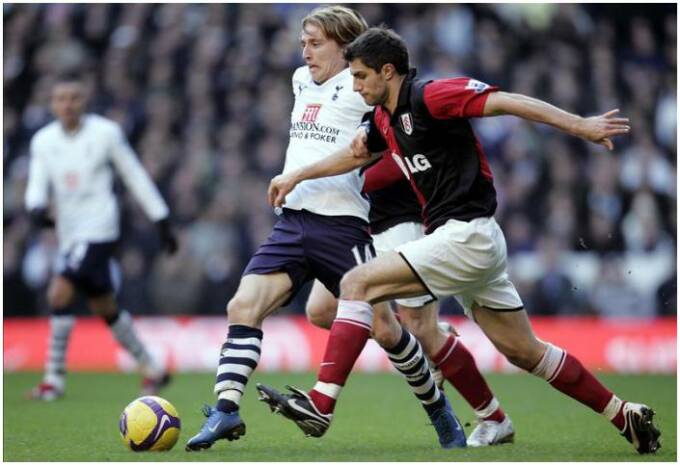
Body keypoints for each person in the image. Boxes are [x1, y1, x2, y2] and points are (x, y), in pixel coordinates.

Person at [260, 27, 661, 455]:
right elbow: (356, 155)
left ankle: (321, 403)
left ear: (388, 71)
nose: (354, 85)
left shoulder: (430, 95)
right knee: (526, 353)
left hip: (467, 234)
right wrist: (296, 175)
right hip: (469, 241)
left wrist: (579, 125)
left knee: (357, 284)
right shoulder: (382, 117)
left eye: (360, 76)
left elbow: (506, 100)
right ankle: (622, 414)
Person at [185, 7, 465, 452]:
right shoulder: (299, 80)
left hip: (343, 227)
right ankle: (225, 410)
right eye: (304, 43)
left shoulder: (364, 90)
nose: (306, 51)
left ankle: (439, 411)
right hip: (293, 222)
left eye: (315, 43)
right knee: (242, 305)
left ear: (343, 46)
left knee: (387, 331)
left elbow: (391, 131)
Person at [304, 158, 514, 446]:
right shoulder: (355, 117)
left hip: (403, 219)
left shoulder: (397, 115)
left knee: (421, 330)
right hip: (361, 223)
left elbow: (398, 161)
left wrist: (331, 178)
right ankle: (422, 333)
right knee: (321, 309)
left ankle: (493, 417)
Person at [24, 74, 178, 401]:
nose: (68, 105)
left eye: (74, 98)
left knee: (59, 294)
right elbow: (37, 183)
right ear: (52, 103)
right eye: (61, 98)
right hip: (69, 233)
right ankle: (152, 368)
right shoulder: (43, 141)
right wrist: (35, 206)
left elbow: (133, 173)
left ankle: (54, 380)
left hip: (100, 227)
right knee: (104, 306)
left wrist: (160, 217)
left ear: (85, 101)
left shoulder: (106, 133)